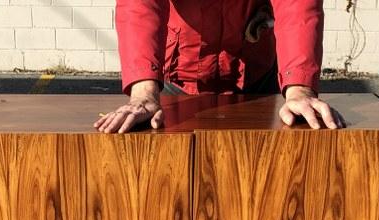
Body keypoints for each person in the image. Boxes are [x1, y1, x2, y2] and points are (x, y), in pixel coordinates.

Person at [95, 1, 344, 134]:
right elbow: (141, 6)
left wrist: (300, 88)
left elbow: (297, 6)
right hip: (180, 79)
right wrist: (143, 92)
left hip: (255, 78)